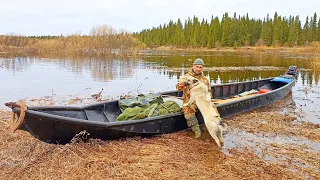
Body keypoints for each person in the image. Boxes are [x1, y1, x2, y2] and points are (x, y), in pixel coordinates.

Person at [176, 58, 212, 138]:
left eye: (200, 67)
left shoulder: (205, 79)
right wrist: (180, 85)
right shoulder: (186, 77)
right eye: (197, 67)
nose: (198, 69)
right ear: (193, 66)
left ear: (203, 67)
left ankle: (213, 127)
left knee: (213, 110)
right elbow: (178, 87)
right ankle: (196, 131)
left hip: (202, 101)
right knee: (188, 112)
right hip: (189, 100)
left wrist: (208, 98)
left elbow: (209, 91)